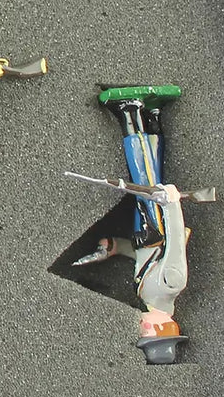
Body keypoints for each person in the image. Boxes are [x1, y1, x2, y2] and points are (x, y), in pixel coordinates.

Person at [75, 85, 194, 365]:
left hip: (145, 233)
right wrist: (171, 204)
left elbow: (145, 258)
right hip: (157, 224)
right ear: (163, 328)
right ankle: (130, 113)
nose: (142, 327)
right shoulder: (171, 284)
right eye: (148, 332)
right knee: (145, 175)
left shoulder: (149, 296)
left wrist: (117, 247)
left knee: (151, 174)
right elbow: (176, 241)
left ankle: (152, 116)